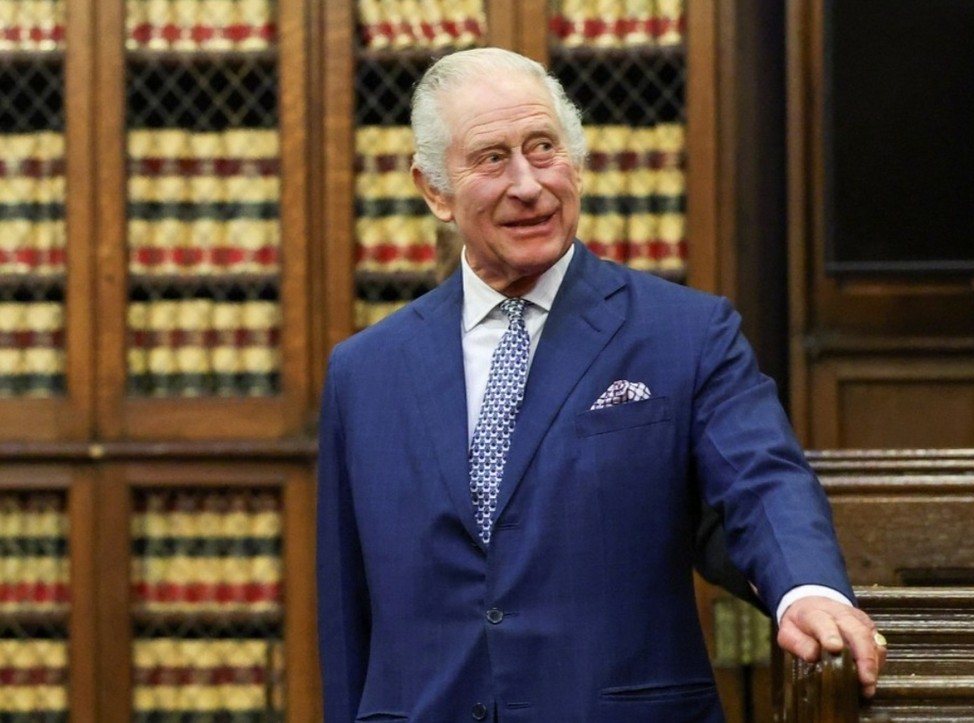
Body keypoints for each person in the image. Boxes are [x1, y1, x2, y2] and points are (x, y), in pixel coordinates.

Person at [317, 47, 885, 722]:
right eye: (493, 159)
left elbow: (762, 480)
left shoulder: (686, 333)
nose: (528, 184)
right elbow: (347, 611)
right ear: (435, 190)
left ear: (577, 164)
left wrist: (808, 591)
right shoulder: (364, 371)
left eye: (543, 148)